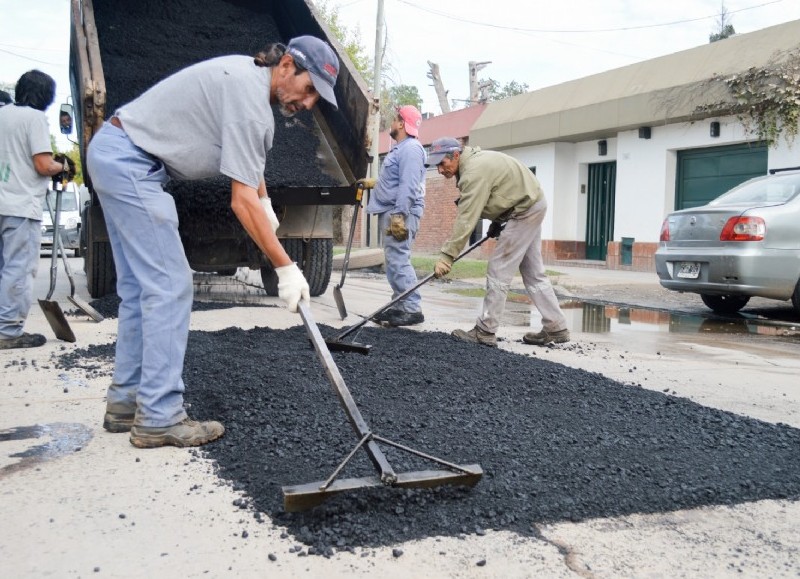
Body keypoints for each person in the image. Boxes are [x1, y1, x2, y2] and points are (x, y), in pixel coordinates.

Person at [86, 36, 339, 448]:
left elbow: (249, 169)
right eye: (309, 89)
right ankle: (159, 416)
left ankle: (126, 403)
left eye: (317, 98)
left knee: (138, 290)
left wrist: (266, 199)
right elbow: (240, 200)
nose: (308, 103)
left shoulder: (248, 81)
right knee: (171, 285)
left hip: (116, 153)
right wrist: (286, 266)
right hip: (132, 163)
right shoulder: (250, 102)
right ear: (288, 65)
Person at [428, 137, 570, 347]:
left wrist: (448, 255)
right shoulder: (473, 165)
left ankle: (485, 330)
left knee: (498, 269)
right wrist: (498, 222)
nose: (440, 170)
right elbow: (500, 192)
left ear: (456, 155)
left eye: (442, 163)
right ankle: (556, 327)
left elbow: (466, 218)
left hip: (524, 211)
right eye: (436, 165)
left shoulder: (473, 172)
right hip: (531, 204)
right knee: (533, 272)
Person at [0, 70, 73, 350]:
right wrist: (63, 166)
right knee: (18, 269)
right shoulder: (34, 119)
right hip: (19, 205)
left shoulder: (3, 114)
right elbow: (43, 165)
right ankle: (7, 331)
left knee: (2, 268)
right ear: (47, 96)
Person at [365, 105, 426, 326]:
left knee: (399, 259)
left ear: (401, 123)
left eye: (394, 119)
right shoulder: (402, 148)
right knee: (394, 261)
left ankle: (411, 308)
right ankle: (400, 305)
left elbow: (409, 185)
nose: (391, 123)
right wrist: (373, 184)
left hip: (400, 212)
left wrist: (399, 215)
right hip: (394, 210)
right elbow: (397, 180)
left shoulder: (410, 149)